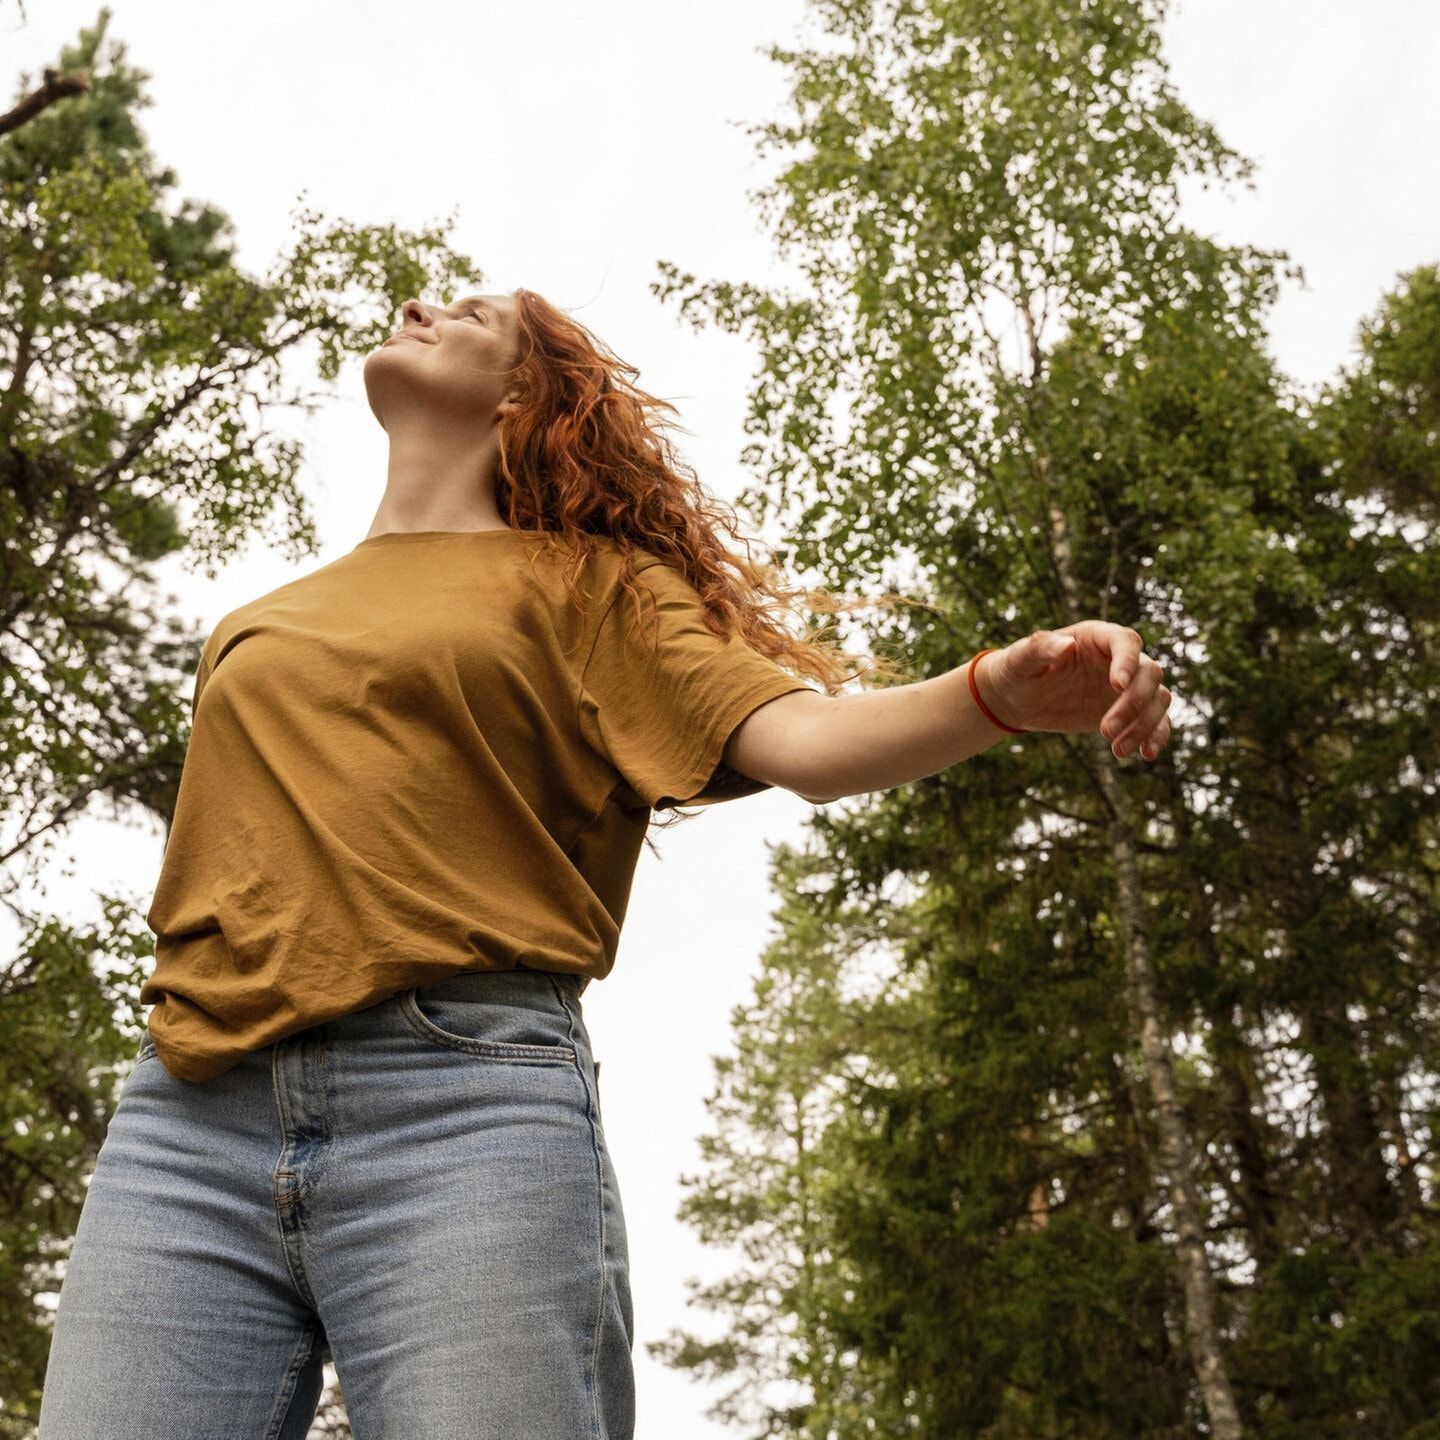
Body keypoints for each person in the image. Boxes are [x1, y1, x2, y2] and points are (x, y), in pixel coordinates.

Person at [36, 289, 1172, 1439]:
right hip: (189, 1113)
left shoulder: (593, 587)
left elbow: (814, 746)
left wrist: (994, 692)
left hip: (460, 1108)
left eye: (471, 314)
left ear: (522, 395)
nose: (418, 304)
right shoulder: (256, 623)